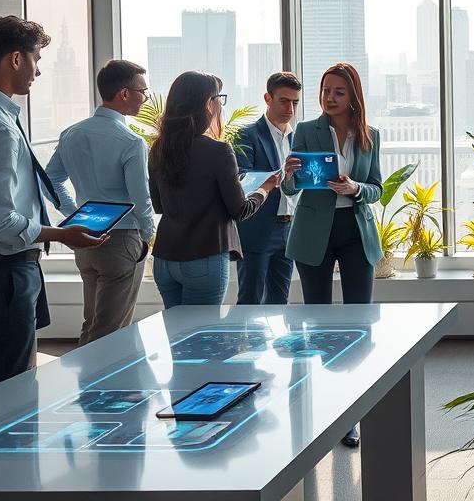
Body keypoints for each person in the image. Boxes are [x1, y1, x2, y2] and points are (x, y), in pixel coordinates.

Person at [0, 17, 106, 384]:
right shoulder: (0, 127)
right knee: (14, 388)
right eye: (36, 59)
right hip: (6, 272)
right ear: (14, 59)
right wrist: (61, 235)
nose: (38, 71)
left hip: (10, 269)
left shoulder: (4, 117)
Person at [281, 62, 382, 449]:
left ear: (353, 95)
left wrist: (356, 187)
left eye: (339, 92)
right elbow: (292, 189)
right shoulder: (306, 130)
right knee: (319, 324)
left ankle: (352, 414)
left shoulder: (369, 135)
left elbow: (377, 188)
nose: (330, 98)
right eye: (325, 91)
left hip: (355, 233)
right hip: (313, 233)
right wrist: (289, 173)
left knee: (359, 325)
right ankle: (325, 409)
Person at [46, 59, 156, 343]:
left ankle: (83, 388)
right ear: (124, 93)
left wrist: (75, 213)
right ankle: (102, 388)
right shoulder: (131, 141)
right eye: (143, 91)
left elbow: (51, 181)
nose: (145, 98)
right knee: (111, 333)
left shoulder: (71, 133)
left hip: (85, 235)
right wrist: (148, 235)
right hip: (121, 240)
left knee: (92, 323)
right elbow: (140, 197)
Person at [149, 71, 278, 308]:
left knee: (176, 337)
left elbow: (158, 205)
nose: (220, 104)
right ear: (207, 103)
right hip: (204, 257)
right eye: (219, 98)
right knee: (199, 337)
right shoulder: (218, 151)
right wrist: (264, 188)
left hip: (165, 260)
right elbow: (240, 210)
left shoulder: (158, 148)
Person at [234, 72, 301, 305]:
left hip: (290, 228)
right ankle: (245, 343)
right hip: (257, 229)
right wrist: (283, 173)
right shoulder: (247, 134)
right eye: (284, 101)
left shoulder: (300, 138)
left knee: (280, 303)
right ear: (267, 98)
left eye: (295, 102)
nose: (290, 108)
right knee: (250, 301)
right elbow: (242, 178)